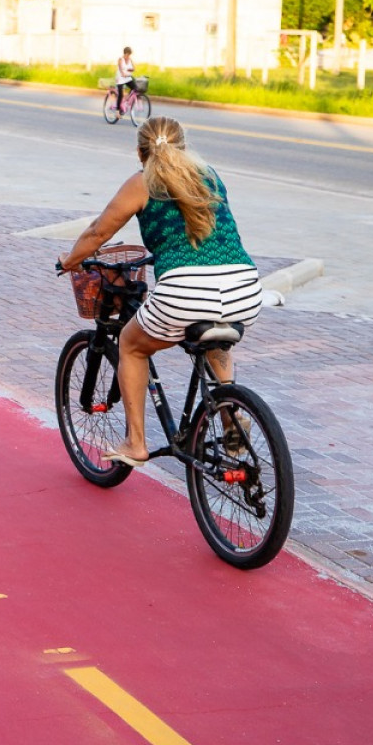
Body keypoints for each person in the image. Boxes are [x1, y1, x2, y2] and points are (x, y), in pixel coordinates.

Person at [58, 116, 261, 466]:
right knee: (214, 337)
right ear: (183, 147)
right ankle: (230, 415)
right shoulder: (209, 175)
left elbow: (98, 232)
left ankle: (136, 443)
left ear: (140, 154)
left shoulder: (142, 183)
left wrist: (70, 260)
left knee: (132, 346)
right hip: (244, 287)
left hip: (186, 290)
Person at [113, 46, 137, 113]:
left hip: (127, 77)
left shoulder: (130, 59)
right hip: (120, 78)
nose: (129, 56)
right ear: (125, 53)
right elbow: (120, 68)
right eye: (128, 54)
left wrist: (131, 69)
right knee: (120, 95)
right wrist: (123, 73)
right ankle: (117, 111)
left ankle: (126, 100)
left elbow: (133, 68)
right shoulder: (120, 59)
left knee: (135, 88)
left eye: (130, 54)